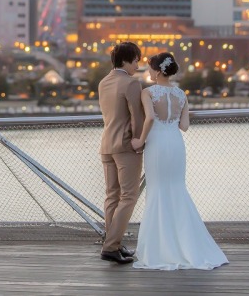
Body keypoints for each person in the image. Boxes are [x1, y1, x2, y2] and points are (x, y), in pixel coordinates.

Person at [131, 52, 228, 270]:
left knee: (157, 191)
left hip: (156, 144)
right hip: (175, 144)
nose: (147, 72)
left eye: (149, 68)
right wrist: (180, 113)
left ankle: (160, 247)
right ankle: (187, 245)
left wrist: (139, 141)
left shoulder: (148, 93)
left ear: (157, 71)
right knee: (176, 189)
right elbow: (184, 126)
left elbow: (149, 118)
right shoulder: (181, 94)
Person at [97, 42, 145, 265]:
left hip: (106, 144)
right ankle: (110, 246)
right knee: (128, 197)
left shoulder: (103, 82)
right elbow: (137, 117)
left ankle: (114, 243)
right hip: (126, 146)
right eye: (136, 60)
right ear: (127, 60)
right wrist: (139, 141)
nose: (138, 64)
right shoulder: (131, 83)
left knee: (112, 197)